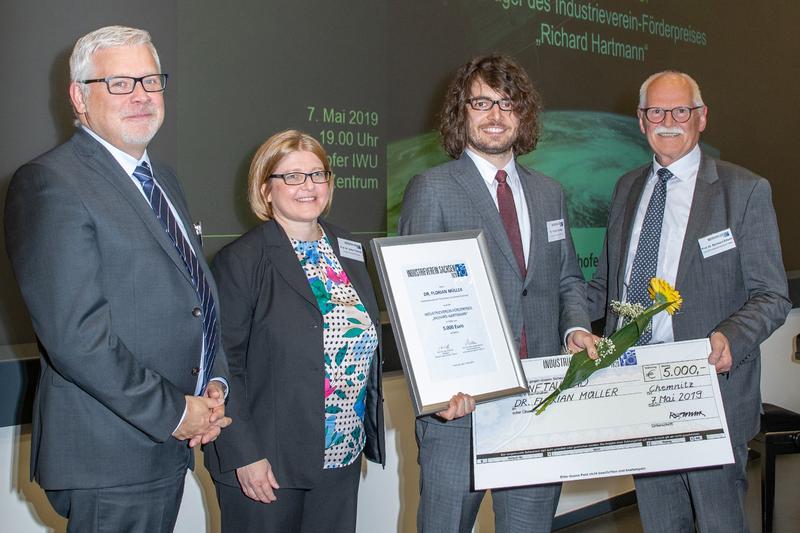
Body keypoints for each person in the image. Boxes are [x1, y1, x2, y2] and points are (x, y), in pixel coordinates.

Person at [4, 26, 231, 532]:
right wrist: (176, 412)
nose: (142, 96)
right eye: (120, 83)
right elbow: (77, 339)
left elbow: (197, 297)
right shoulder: (50, 184)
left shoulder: (163, 179)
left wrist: (212, 383)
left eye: (151, 81)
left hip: (167, 446)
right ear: (78, 97)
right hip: (110, 455)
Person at [398, 54, 596, 533]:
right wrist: (436, 390)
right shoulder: (433, 189)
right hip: (460, 409)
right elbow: (413, 304)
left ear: (523, 114)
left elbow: (567, 278)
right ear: (460, 113)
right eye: (481, 102)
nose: (495, 115)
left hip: (537, 403)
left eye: (507, 103)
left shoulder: (549, 192)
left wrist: (575, 327)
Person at [587, 70, 791, 532]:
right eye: (656, 111)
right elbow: (606, 284)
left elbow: (772, 294)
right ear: (641, 121)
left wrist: (730, 337)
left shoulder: (744, 191)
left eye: (680, 110)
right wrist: (573, 321)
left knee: (719, 523)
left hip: (710, 392)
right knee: (661, 523)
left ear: (701, 118)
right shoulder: (626, 188)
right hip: (638, 386)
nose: (668, 121)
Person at [205, 129, 385, 532]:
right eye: (292, 176)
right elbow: (221, 365)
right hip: (269, 464)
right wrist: (243, 455)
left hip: (339, 455)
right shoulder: (241, 260)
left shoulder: (347, 248)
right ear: (266, 189)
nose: (308, 186)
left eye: (317, 175)